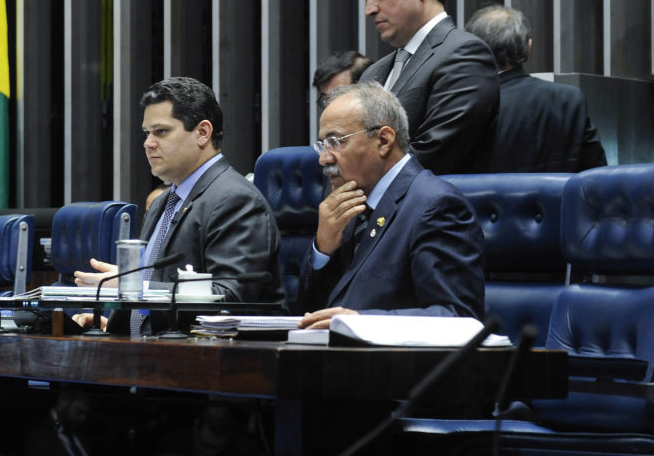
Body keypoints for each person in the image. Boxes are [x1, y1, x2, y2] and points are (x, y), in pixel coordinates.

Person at [73, 77, 284, 335]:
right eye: (147, 133)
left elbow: (230, 297)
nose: (148, 143)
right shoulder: (163, 202)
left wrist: (137, 286)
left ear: (202, 133)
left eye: (161, 131)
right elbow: (149, 294)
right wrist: (113, 327)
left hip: (205, 361)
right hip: (145, 354)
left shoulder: (236, 200)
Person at [298, 81, 485, 329]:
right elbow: (307, 311)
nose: (324, 159)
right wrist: (322, 250)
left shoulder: (436, 206)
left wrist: (362, 323)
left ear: (384, 140)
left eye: (336, 142)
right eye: (322, 145)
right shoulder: (349, 205)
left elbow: (459, 318)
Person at [353, 0, 499, 174]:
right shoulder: (372, 72)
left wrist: (356, 183)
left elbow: (431, 158)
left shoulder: (465, 54)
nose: (369, 9)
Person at [466, 3, 608, 173]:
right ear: (528, 49)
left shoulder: (468, 104)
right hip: (558, 200)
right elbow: (596, 174)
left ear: (472, 50)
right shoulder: (569, 99)